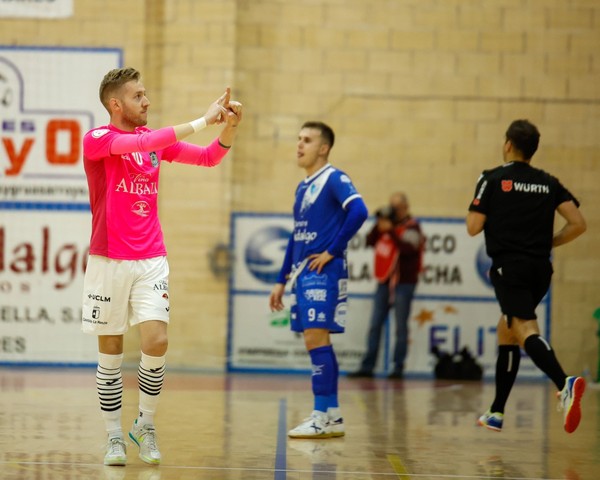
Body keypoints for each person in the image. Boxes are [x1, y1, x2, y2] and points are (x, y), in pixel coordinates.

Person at [81, 67, 242, 466]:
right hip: (108, 260)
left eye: (146, 94)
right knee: (112, 352)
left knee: (156, 342)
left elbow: (208, 158)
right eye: (138, 96)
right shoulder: (99, 139)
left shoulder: (150, 144)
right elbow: (153, 138)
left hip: (151, 259)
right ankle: (114, 437)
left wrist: (229, 128)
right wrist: (203, 119)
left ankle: (145, 425)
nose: (147, 101)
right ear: (116, 104)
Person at [466, 119, 587, 434]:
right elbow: (578, 223)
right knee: (507, 330)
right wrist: (551, 241)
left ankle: (565, 383)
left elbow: (473, 227)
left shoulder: (492, 178)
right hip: (540, 269)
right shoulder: (548, 181)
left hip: (510, 268)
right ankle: (496, 411)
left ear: (508, 144)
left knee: (523, 329)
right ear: (533, 150)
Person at [269, 121, 368, 439]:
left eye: (307, 140)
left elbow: (359, 211)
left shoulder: (334, 178)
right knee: (319, 341)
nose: (299, 145)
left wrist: (332, 250)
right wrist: (281, 279)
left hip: (323, 272)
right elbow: (296, 237)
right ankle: (333, 415)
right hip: (304, 273)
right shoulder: (302, 187)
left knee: (315, 340)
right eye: (298, 139)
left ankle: (319, 416)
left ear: (323, 148)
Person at [348, 192, 424, 379]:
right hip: (384, 282)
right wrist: (379, 223)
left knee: (400, 327)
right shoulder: (385, 226)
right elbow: (369, 241)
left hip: (404, 284)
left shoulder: (412, 227)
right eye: (391, 206)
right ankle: (367, 367)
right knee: (374, 325)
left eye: (396, 207)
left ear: (405, 207)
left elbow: (408, 249)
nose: (393, 211)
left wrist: (390, 230)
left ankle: (398, 368)